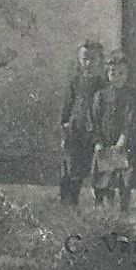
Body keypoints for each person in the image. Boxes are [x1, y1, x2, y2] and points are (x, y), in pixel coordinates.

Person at [59, 40, 105, 205]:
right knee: (72, 170)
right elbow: (67, 108)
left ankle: (101, 208)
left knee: (98, 170)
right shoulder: (75, 82)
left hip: (95, 133)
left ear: (101, 60)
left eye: (92, 58)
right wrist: (64, 129)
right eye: (84, 58)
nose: (88, 63)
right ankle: (70, 206)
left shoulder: (104, 84)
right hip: (76, 130)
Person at [89, 51, 135, 211]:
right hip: (105, 140)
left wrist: (123, 138)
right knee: (103, 175)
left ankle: (124, 209)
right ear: (107, 74)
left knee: (123, 177)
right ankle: (103, 207)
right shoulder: (101, 96)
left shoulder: (129, 96)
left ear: (127, 74)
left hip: (122, 142)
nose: (117, 77)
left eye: (121, 73)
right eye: (113, 73)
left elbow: (129, 119)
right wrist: (98, 141)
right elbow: (94, 120)